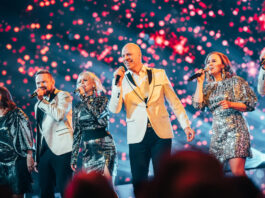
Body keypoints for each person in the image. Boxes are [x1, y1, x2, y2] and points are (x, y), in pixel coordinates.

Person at [108, 43, 195, 194]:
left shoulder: (158, 73)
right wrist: (117, 85)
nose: (125, 58)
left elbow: (174, 101)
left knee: (163, 177)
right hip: (137, 136)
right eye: (123, 56)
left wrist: (186, 125)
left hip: (160, 133)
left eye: (128, 54)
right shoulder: (121, 80)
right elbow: (114, 109)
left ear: (139, 55)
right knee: (139, 180)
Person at [192, 51, 257, 176]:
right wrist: (199, 83)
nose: (209, 64)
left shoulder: (235, 81)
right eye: (207, 62)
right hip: (218, 133)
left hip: (236, 131)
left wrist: (231, 104)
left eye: (213, 61)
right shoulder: (208, 88)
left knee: (237, 172)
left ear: (223, 65)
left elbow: (250, 104)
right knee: (214, 175)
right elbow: (198, 105)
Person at [71, 71, 117, 184]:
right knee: (92, 188)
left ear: (93, 84)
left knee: (106, 186)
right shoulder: (77, 107)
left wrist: (84, 97)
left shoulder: (103, 100)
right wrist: (74, 156)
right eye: (79, 82)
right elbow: (77, 132)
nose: (81, 83)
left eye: (85, 80)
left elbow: (97, 114)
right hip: (88, 150)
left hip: (103, 146)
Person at [33, 69, 73, 198]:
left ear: (52, 82)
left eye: (44, 81)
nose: (41, 85)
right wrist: (37, 157)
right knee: (45, 191)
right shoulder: (38, 104)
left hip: (62, 149)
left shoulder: (63, 95)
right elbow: (40, 132)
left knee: (65, 189)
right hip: (45, 152)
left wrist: (42, 102)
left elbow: (59, 115)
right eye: (38, 83)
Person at [0, 86, 34, 198]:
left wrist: (30, 155)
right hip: (0, 163)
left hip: (16, 160)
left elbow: (27, 133)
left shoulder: (16, 113)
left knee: (17, 193)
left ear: (3, 96)